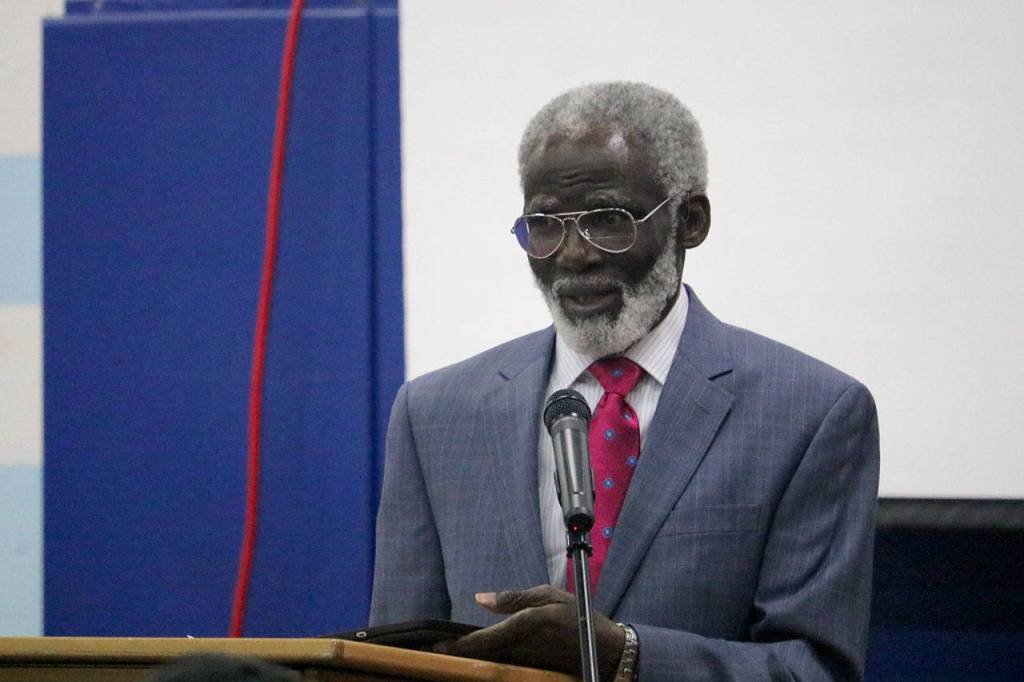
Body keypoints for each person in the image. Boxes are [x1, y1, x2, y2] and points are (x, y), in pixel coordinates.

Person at [370, 82, 879, 681]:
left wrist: (627, 655)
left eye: (608, 220)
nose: (574, 255)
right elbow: (392, 660)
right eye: (545, 224)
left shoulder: (811, 413)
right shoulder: (436, 414)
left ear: (690, 221)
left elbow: (816, 670)